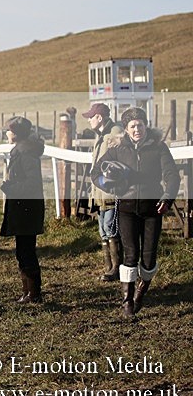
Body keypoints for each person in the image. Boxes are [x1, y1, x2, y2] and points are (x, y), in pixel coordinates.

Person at [91, 107, 180, 319]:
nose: (137, 129)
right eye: (132, 126)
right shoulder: (117, 148)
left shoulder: (158, 148)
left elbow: (172, 176)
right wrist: (112, 186)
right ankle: (127, 302)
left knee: (148, 259)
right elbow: (95, 173)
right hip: (127, 209)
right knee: (130, 255)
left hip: (153, 210)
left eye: (140, 124)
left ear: (145, 125)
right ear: (126, 129)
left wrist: (167, 198)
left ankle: (141, 292)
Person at [0, 116, 45, 303]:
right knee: (23, 251)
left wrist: (10, 188)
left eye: (9, 131)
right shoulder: (22, 151)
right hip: (24, 207)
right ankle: (28, 292)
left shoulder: (25, 153)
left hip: (27, 208)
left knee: (26, 251)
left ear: (16, 133)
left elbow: (33, 184)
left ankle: (33, 293)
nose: (7, 134)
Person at [82, 103, 123, 282]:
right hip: (100, 191)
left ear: (99, 117)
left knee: (110, 228)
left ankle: (116, 268)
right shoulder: (101, 135)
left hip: (110, 191)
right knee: (103, 230)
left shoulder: (114, 132)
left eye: (91, 116)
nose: (89, 120)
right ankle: (109, 267)